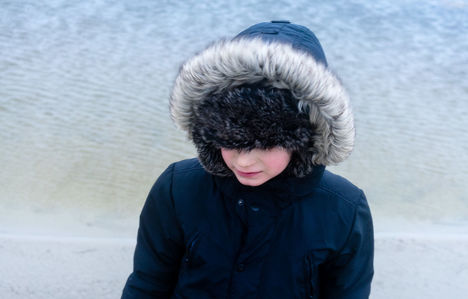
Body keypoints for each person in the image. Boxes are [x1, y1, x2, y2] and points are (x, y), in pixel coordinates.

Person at [121, 21, 374, 299]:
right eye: (230, 140)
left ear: (307, 136)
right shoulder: (177, 189)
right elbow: (147, 284)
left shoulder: (344, 210)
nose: (243, 162)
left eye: (265, 144)